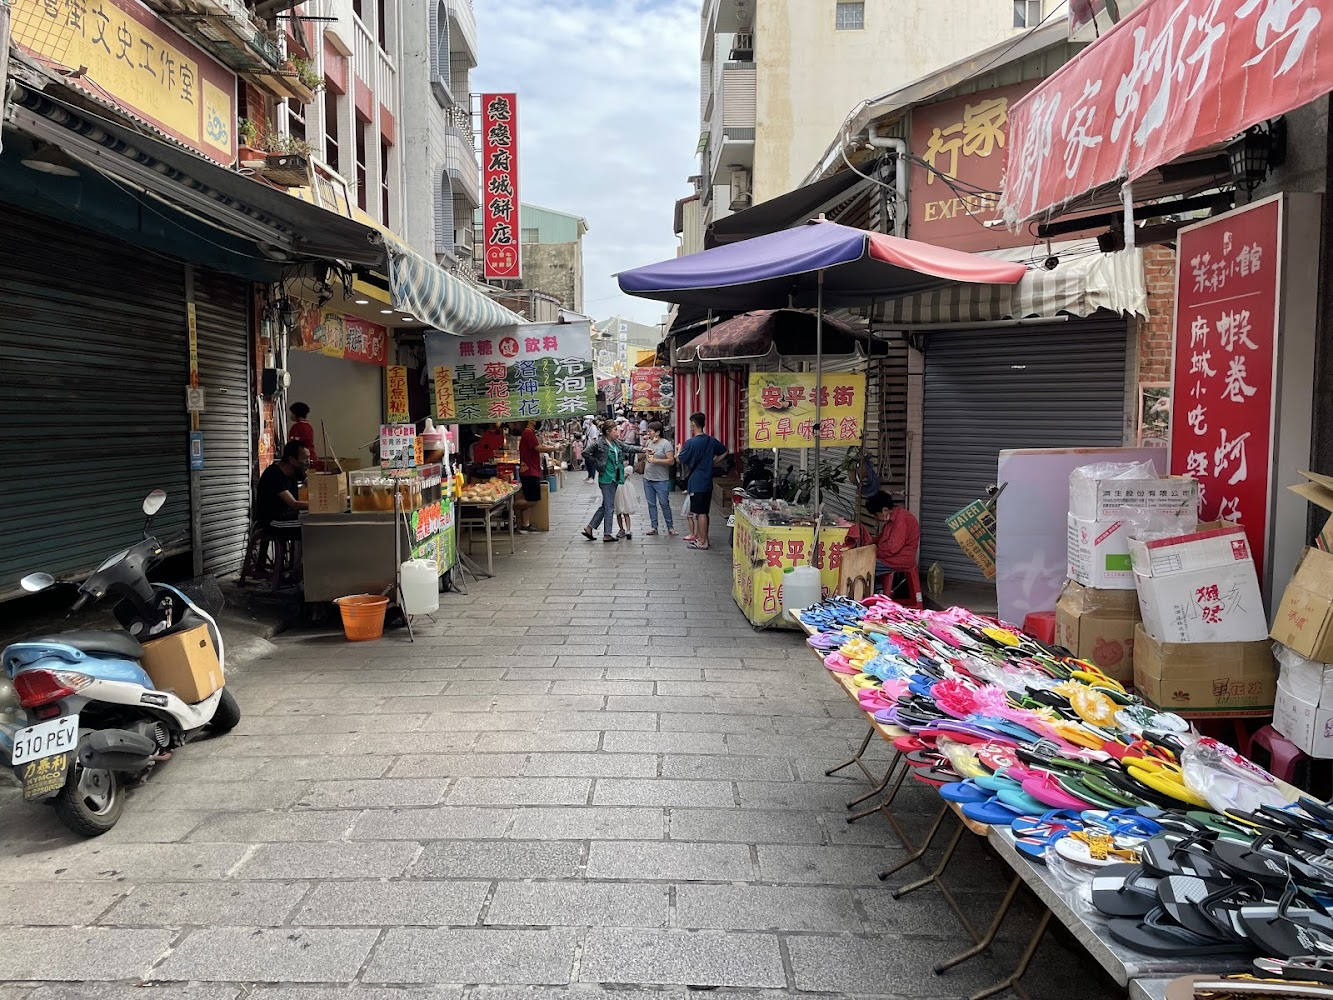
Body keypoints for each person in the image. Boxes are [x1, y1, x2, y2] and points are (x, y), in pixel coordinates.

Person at [676, 411, 728, 550]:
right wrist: (713, 462)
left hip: (696, 482)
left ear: (694, 424)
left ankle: (702, 542)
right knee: (703, 511)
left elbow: (680, 459)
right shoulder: (711, 441)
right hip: (707, 481)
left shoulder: (691, 443)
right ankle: (702, 538)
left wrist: (678, 450)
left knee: (701, 513)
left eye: (691, 425)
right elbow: (724, 451)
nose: (690, 427)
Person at [513, 419, 563, 531]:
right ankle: (510, 508)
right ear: (531, 421)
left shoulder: (529, 433)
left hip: (531, 470)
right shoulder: (528, 433)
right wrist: (555, 448)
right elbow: (538, 448)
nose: (540, 421)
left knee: (529, 497)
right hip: (530, 471)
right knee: (532, 500)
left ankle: (525, 524)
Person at [581, 420, 626, 542]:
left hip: (615, 476)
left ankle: (589, 528)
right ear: (608, 432)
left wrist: (643, 449)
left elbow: (628, 448)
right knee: (609, 507)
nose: (617, 432)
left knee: (605, 505)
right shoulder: (600, 443)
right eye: (615, 430)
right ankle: (607, 534)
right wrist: (598, 463)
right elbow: (585, 453)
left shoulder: (615, 443)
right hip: (606, 478)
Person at [257, 441, 309, 539]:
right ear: (292, 460)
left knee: (316, 521)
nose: (308, 462)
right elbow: (294, 504)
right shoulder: (273, 475)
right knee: (311, 527)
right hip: (274, 522)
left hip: (288, 517)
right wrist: (318, 505)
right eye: (305, 458)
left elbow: (314, 485)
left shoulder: (296, 471)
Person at [867, 492, 921, 586]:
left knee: (863, 567)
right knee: (865, 564)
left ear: (885, 510)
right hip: (890, 558)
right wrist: (870, 541)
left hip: (897, 560)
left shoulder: (901, 520)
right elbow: (881, 538)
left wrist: (873, 553)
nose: (876, 518)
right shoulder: (892, 519)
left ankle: (878, 592)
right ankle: (879, 590)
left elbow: (891, 549)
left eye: (876, 515)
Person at [639, 420, 676, 536]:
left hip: (661, 479)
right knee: (651, 504)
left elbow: (671, 461)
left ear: (658, 432)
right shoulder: (649, 442)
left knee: (664, 503)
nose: (648, 433)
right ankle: (654, 527)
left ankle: (670, 527)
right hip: (648, 478)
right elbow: (646, 457)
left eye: (650, 431)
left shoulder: (666, 444)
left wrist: (657, 460)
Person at [288, 402, 317, 467]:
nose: (291, 415)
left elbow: (293, 445)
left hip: (302, 459)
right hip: (311, 457)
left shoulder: (296, 427)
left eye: (292, 413)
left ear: (296, 414)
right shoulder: (309, 426)